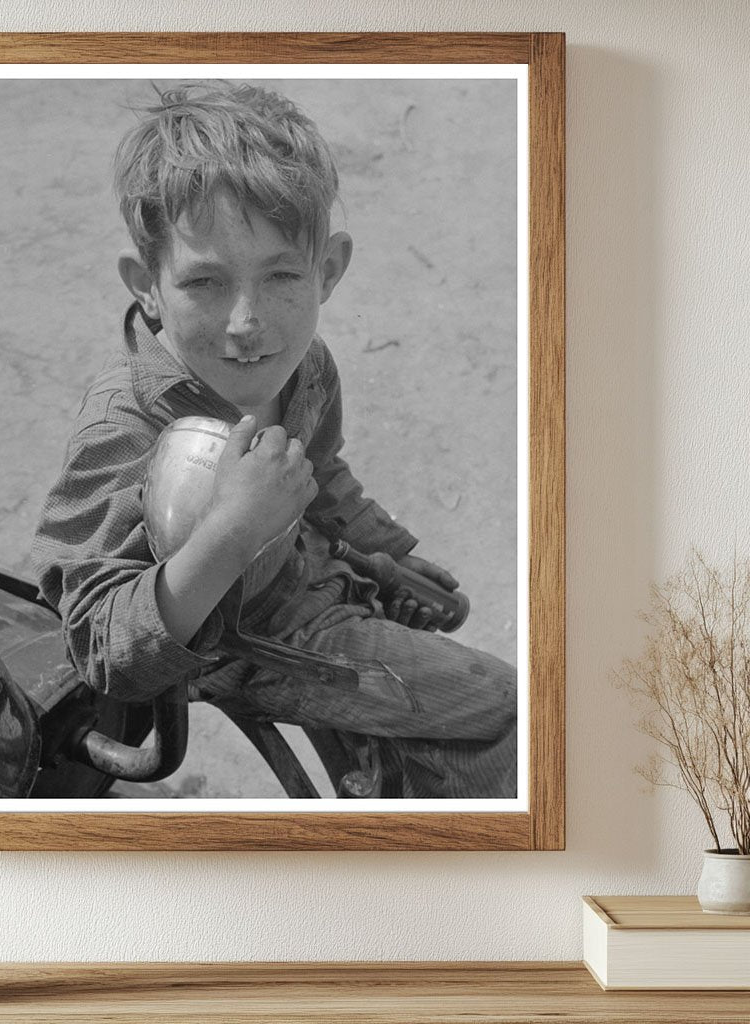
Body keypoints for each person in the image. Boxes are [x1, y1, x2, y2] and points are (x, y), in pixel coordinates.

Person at [32, 81, 516, 798]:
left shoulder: (305, 366)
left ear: (328, 271)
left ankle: (385, 784)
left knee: (442, 632)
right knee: (506, 709)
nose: (247, 324)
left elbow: (322, 470)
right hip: (231, 641)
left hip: (305, 573)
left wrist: (388, 552)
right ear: (147, 287)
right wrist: (230, 529)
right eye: (205, 282)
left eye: (282, 275)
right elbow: (104, 651)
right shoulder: (126, 425)